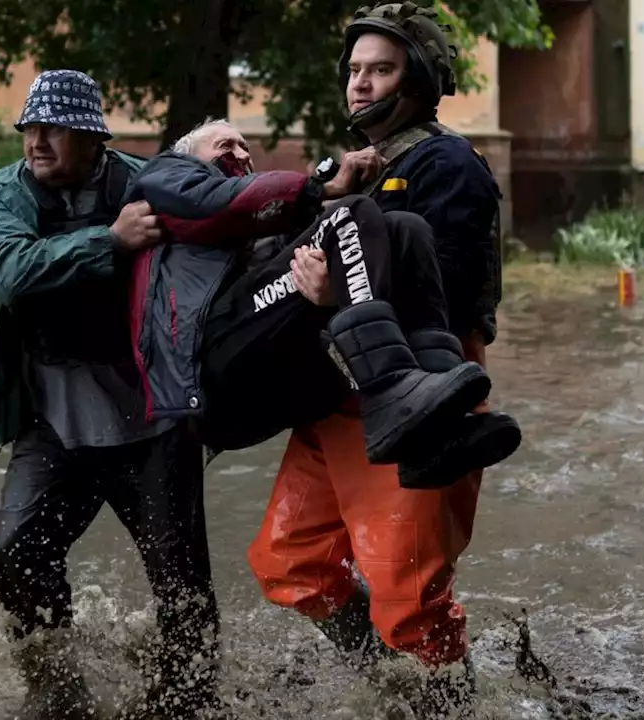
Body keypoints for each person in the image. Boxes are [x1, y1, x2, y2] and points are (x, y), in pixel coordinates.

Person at [246, 3, 519, 717]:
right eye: (356, 70)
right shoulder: (348, 172)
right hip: (334, 394)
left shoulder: (449, 164)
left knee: (411, 604)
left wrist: (342, 296)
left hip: (421, 394)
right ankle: (388, 684)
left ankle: (449, 700)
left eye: (382, 69)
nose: (361, 83)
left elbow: (448, 293)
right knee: (288, 563)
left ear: (420, 79)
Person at [0, 69, 219, 720]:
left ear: (93, 141)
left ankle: (189, 698)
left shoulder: (145, 184)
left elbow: (226, 224)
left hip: (152, 414)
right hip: (53, 414)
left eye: (54, 129)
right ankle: (55, 686)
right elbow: (12, 274)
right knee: (16, 549)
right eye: (30, 128)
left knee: (182, 581)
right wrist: (108, 243)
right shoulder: (3, 194)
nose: (37, 141)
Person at [122, 119, 521, 490]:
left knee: (404, 226)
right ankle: (388, 393)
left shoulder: (265, 225)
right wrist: (321, 189)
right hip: (209, 373)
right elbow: (212, 200)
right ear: (187, 156)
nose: (242, 154)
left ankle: (439, 430)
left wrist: (329, 288)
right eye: (226, 145)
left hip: (269, 370)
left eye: (246, 147)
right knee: (353, 213)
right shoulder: (166, 176)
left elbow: (293, 263)